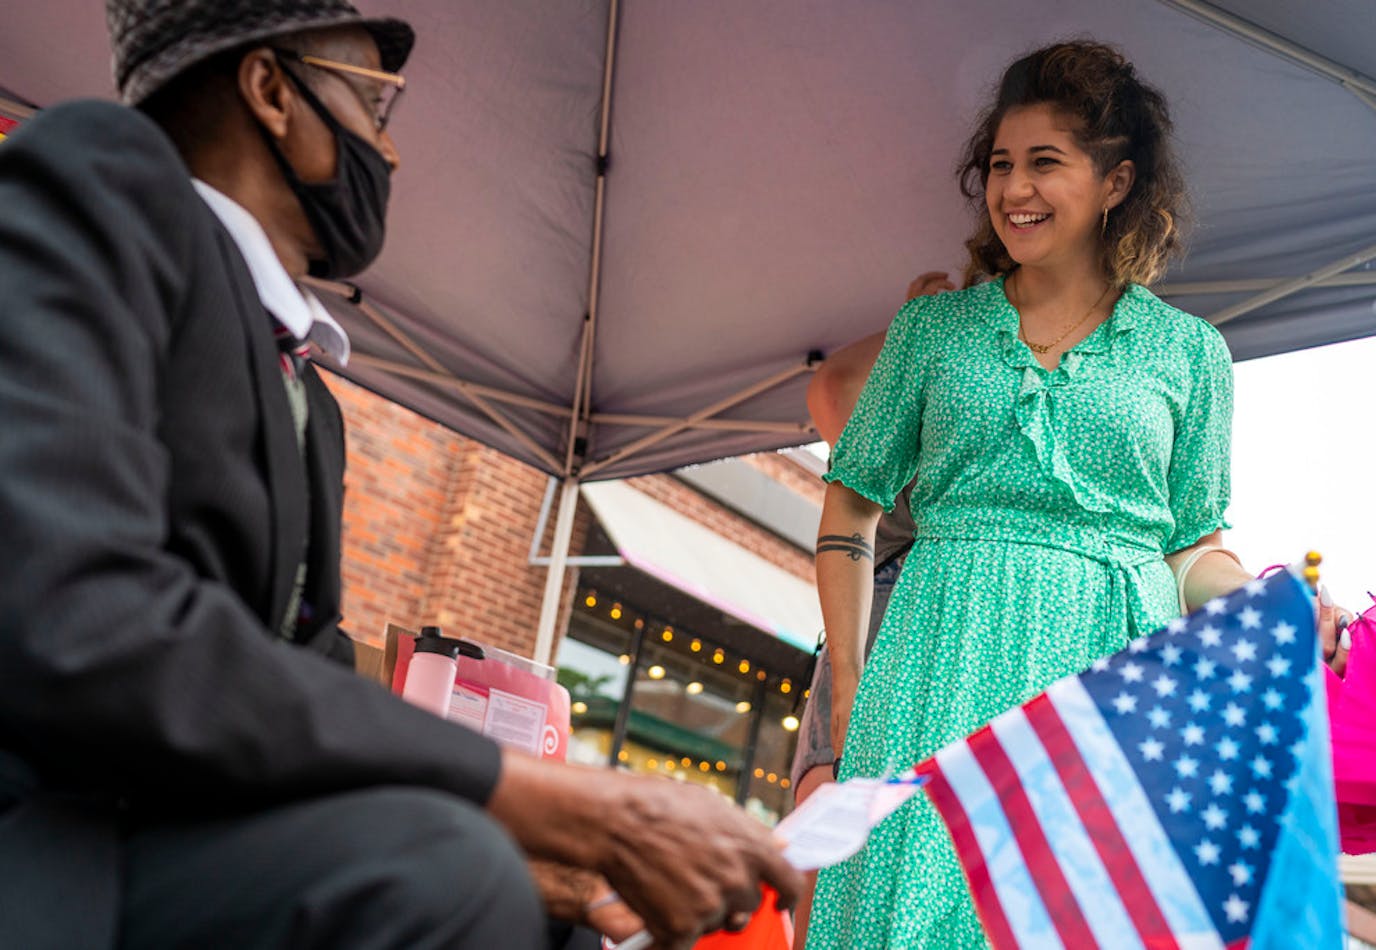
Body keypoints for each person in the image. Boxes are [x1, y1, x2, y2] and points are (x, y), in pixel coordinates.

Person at [0, 2, 799, 948]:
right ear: (270, 91)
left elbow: (302, 686)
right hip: (62, 855)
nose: (391, 149)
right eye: (376, 105)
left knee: (550, 916)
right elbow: (85, 622)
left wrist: (565, 874)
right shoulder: (90, 176)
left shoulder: (309, 399)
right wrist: (571, 804)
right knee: (445, 875)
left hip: (203, 846)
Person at [806, 41, 1348, 948]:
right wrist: (853, 687)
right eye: (1001, 165)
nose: (1014, 187)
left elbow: (1192, 548)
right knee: (915, 912)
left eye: (1045, 163)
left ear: (1116, 182)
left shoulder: (1191, 353)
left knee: (1075, 917)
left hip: (1112, 674)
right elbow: (850, 505)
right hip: (939, 658)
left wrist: (1262, 602)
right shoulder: (932, 330)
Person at [787, 271, 953, 950]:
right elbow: (834, 389)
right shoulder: (907, 436)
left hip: (946, 629)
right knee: (840, 864)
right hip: (887, 612)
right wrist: (918, 338)